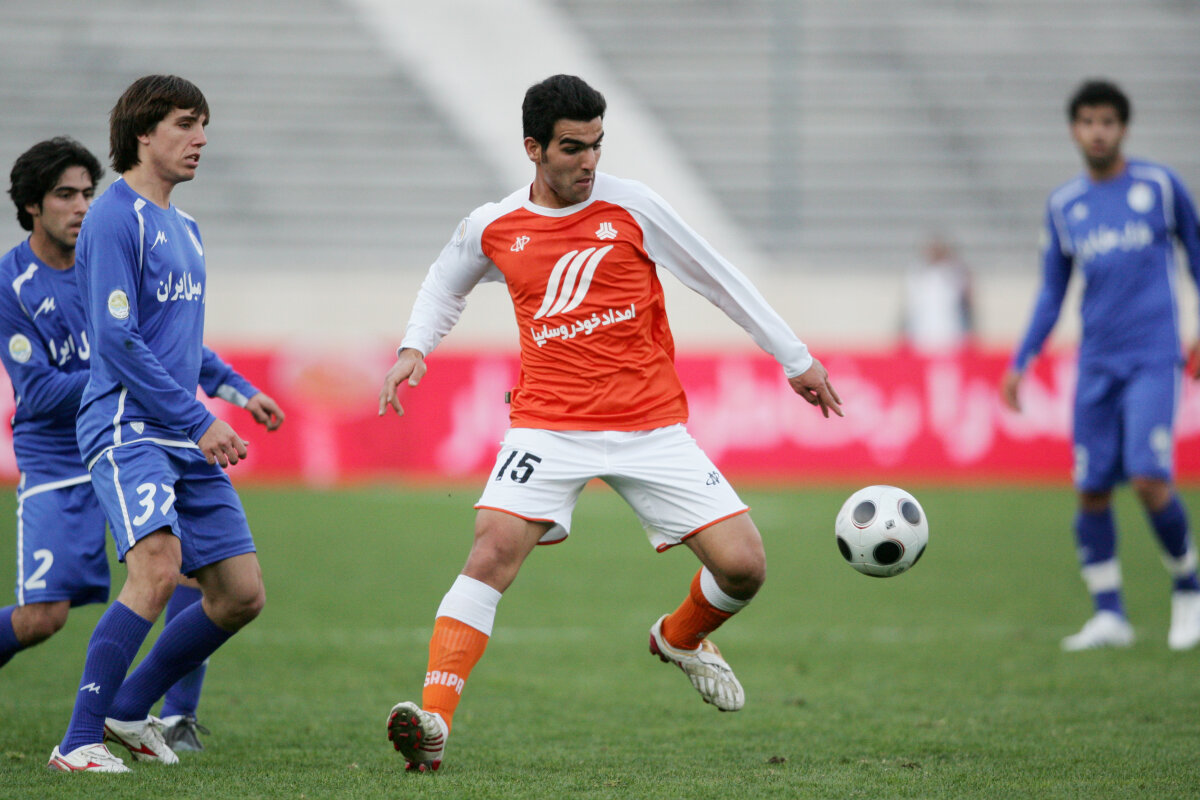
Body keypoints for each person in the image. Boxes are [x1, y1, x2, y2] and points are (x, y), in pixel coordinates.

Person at [377, 74, 842, 772]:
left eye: (597, 145)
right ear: (533, 149)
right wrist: (415, 346)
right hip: (547, 426)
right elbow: (446, 280)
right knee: (491, 551)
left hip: (650, 427)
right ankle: (434, 722)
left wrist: (794, 358)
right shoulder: (494, 225)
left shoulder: (633, 207)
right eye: (572, 148)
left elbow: (717, 276)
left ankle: (680, 637)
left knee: (744, 568)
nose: (589, 161)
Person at [0, 137, 273, 754]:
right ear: (32, 206)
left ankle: (167, 714)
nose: (80, 206)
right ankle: (86, 737)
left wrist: (235, 387)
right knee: (44, 617)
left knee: (197, 573)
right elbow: (38, 390)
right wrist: (122, 374)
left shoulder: (118, 246)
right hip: (66, 455)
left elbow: (172, 343)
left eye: (85, 193)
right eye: (64, 195)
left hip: (146, 425)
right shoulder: (13, 283)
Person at [1001, 78, 1200, 652]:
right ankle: (1109, 613)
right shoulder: (1065, 204)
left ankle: (1189, 589)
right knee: (1091, 488)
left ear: (1123, 129)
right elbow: (1052, 290)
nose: (1098, 132)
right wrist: (1022, 359)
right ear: (1074, 129)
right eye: (1088, 122)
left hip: (1153, 358)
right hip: (1096, 365)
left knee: (1148, 475)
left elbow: (1196, 255)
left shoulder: (1159, 187)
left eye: (1108, 122)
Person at [900, 234, 974, 355]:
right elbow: (910, 306)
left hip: (950, 333)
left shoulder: (955, 271)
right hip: (922, 334)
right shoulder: (916, 271)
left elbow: (966, 301)